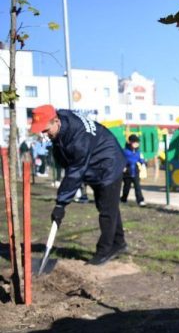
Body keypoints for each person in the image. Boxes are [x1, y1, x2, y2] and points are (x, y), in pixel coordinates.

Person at [30, 105, 128, 266]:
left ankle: (105, 250)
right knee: (109, 206)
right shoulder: (63, 119)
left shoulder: (79, 140)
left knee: (106, 210)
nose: (44, 134)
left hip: (108, 164)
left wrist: (61, 204)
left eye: (46, 130)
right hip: (95, 163)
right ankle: (119, 242)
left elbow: (75, 172)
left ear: (56, 121)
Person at [121, 134, 147, 206]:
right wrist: (123, 166)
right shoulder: (125, 151)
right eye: (134, 142)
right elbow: (121, 160)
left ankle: (140, 200)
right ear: (130, 142)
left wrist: (143, 162)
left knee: (137, 186)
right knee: (126, 187)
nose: (136, 144)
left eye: (137, 142)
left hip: (135, 171)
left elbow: (140, 159)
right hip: (127, 171)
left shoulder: (138, 152)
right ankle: (123, 199)